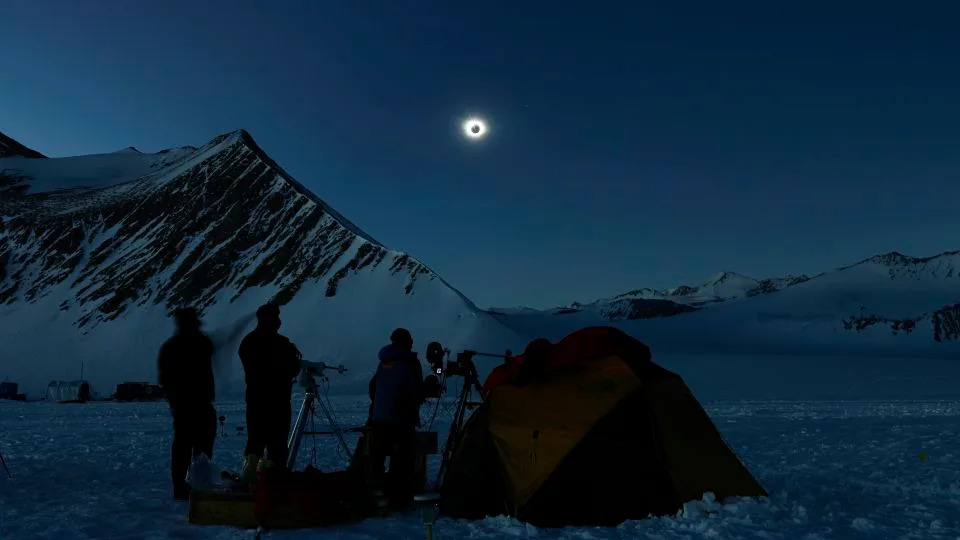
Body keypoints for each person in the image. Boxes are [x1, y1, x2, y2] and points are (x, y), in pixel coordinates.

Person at [157, 307, 217, 500]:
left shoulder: (172, 347)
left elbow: (164, 379)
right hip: (190, 404)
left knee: (190, 445)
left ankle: (187, 484)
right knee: (193, 446)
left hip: (189, 404)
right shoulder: (195, 344)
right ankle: (192, 483)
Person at [238, 302, 303, 479]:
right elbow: (293, 368)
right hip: (278, 402)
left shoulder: (248, 342)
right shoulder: (281, 344)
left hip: (256, 401)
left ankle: (251, 479)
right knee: (277, 445)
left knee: (255, 443)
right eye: (275, 317)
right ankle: (274, 481)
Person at [367, 327, 424, 508]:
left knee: (377, 456)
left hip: (379, 417)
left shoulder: (384, 360)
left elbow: (373, 386)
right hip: (400, 418)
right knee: (401, 458)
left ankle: (375, 493)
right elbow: (415, 390)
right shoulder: (410, 362)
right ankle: (398, 497)